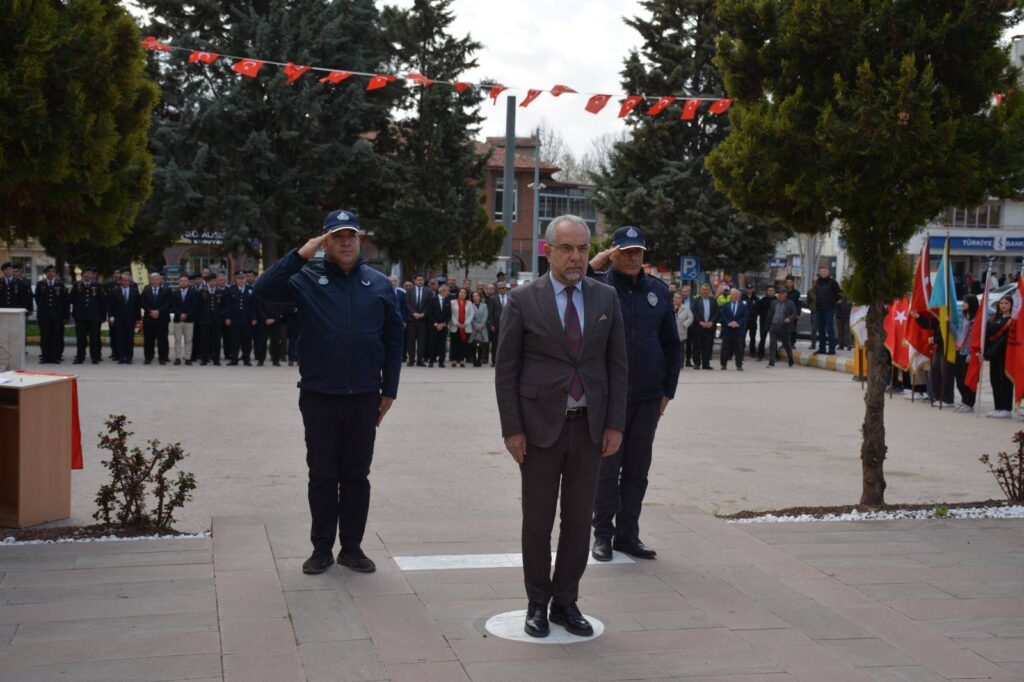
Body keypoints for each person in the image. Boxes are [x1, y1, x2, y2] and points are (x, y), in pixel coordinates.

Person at [494, 214, 626, 639]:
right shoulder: (523, 300)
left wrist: (615, 424)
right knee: (537, 521)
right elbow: (506, 370)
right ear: (547, 251)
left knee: (578, 520)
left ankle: (566, 601)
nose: (576, 257)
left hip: (589, 430)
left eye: (583, 248)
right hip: (538, 431)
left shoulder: (606, 298)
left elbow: (618, 367)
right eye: (567, 248)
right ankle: (537, 602)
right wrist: (512, 429)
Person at [253, 209, 403, 574]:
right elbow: (262, 289)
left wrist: (390, 389)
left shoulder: (378, 284)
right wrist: (301, 254)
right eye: (337, 237)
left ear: (359, 240)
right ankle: (321, 549)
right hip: (319, 394)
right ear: (325, 242)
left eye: (351, 236)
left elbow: (394, 339)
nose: (346, 242)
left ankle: (351, 548)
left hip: (364, 396)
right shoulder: (306, 279)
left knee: (356, 475)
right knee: (322, 474)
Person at [587, 225, 680, 562]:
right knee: (607, 469)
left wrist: (668, 390)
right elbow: (569, 283)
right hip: (610, 396)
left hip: (648, 396)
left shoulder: (658, 291)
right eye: (625, 252)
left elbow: (671, 344)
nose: (632, 258)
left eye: (637, 252)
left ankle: (628, 535)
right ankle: (602, 534)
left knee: (638, 470)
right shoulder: (599, 286)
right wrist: (596, 261)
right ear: (614, 253)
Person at [985, 295, 1013, 418]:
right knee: (994, 380)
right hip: (993, 355)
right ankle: (998, 407)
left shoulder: (1013, 320)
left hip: (1005, 354)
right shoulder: (994, 319)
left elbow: (1005, 340)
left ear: (1011, 305)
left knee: (1004, 381)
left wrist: (992, 351)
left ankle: (1006, 408)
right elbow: (988, 336)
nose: (1003, 305)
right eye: (1001, 303)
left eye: (1006, 303)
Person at [35, 265, 69, 363]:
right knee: (45, 336)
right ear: (45, 273)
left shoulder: (60, 284)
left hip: (57, 315)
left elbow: (64, 300)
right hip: (44, 315)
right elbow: (37, 298)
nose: (51, 273)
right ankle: (45, 356)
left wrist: (65, 315)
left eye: (53, 271)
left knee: (55, 336)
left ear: (55, 273)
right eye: (49, 271)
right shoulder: (40, 284)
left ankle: (55, 356)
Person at [71, 266, 105, 364]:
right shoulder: (77, 285)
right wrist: (75, 313)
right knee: (81, 339)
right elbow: (72, 299)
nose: (87, 275)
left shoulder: (97, 286)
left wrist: (102, 315)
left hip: (94, 317)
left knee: (94, 338)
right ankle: (80, 357)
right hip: (80, 317)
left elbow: (102, 301)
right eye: (85, 273)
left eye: (89, 273)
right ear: (83, 274)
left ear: (92, 275)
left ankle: (95, 357)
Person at [108, 271, 141, 364]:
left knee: (129, 338)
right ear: (120, 281)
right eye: (124, 280)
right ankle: (121, 357)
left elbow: (137, 305)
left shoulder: (134, 291)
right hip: (119, 319)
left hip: (131, 319)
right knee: (120, 338)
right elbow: (111, 306)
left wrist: (138, 318)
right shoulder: (114, 291)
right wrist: (111, 317)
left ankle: (129, 357)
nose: (126, 282)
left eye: (128, 280)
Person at [224, 271, 257, 366]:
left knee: (247, 340)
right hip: (234, 319)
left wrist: (254, 318)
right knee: (234, 340)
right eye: (239, 278)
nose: (241, 280)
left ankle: (246, 359)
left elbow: (254, 305)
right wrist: (227, 317)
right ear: (236, 279)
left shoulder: (250, 289)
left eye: (242, 278)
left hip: (247, 319)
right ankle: (234, 359)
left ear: (245, 279)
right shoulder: (231, 289)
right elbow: (227, 305)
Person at [954, 295, 979, 412]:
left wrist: (971, 352)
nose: (963, 304)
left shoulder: (976, 319)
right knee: (960, 379)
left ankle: (970, 403)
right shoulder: (963, 317)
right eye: (964, 301)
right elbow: (958, 332)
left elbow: (975, 337)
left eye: (966, 302)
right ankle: (964, 400)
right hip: (960, 350)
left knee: (969, 379)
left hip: (969, 352)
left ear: (972, 304)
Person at [140, 273, 171, 365]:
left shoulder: (165, 291)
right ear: (150, 280)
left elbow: (168, 303)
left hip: (162, 318)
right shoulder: (145, 291)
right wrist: (150, 311)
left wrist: (158, 311)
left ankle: (163, 358)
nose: (155, 282)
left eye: (157, 280)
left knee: (162, 339)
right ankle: (148, 357)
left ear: (160, 280)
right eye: (153, 280)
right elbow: (142, 303)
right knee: (148, 339)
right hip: (149, 319)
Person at [196, 274, 225, 366]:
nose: (213, 282)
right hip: (205, 320)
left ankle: (216, 358)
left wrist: (220, 316)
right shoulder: (202, 292)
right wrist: (201, 317)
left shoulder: (220, 292)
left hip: (217, 320)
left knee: (216, 340)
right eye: (211, 281)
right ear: (208, 282)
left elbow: (223, 306)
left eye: (214, 281)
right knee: (205, 340)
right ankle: (204, 358)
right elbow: (198, 306)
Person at [813, 266, 842, 355]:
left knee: (830, 329)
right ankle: (822, 349)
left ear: (828, 272)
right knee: (821, 330)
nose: (823, 272)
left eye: (824, 271)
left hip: (829, 309)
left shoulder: (833, 282)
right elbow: (816, 293)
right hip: (819, 309)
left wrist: (836, 301)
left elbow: (839, 293)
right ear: (819, 272)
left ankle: (832, 350)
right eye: (821, 271)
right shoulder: (817, 282)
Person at [719, 288, 748, 370]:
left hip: (738, 330)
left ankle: (739, 365)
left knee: (739, 348)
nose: (732, 296)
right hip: (727, 329)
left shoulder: (743, 306)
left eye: (734, 295)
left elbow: (745, 316)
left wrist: (738, 323)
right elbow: (723, 315)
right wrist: (728, 323)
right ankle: (723, 364)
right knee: (725, 348)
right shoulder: (726, 305)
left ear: (738, 296)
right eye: (731, 294)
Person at [171, 275, 197, 366]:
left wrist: (186, 314)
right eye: (181, 281)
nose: (183, 282)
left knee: (189, 340)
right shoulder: (175, 292)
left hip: (189, 319)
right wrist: (180, 314)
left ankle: (188, 358)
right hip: (178, 319)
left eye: (185, 281)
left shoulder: (193, 292)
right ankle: (178, 357)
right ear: (179, 282)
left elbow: (194, 306)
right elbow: (173, 305)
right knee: (177, 340)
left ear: (188, 282)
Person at [767, 289, 797, 367]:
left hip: (784, 326)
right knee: (772, 344)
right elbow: (770, 314)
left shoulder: (790, 303)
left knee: (787, 345)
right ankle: (771, 362)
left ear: (786, 295)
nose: (781, 295)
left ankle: (790, 360)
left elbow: (794, 313)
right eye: (780, 293)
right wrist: (768, 325)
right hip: (774, 326)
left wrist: (789, 318)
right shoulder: (773, 303)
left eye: (783, 294)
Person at [692, 283, 719, 370]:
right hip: (699, 327)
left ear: (709, 291)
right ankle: (697, 363)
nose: (705, 291)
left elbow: (716, 312)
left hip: (710, 328)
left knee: (708, 346)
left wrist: (712, 322)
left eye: (707, 290)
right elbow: (694, 312)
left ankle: (706, 364)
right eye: (703, 289)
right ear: (701, 290)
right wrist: (700, 322)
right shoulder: (696, 300)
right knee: (697, 346)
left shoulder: (713, 301)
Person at [406, 274, 431, 367]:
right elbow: (407, 303)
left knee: (421, 341)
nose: (420, 281)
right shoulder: (409, 290)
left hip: (422, 320)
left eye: (422, 280)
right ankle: (411, 360)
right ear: (415, 281)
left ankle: (420, 360)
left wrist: (423, 314)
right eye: (418, 280)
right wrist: (413, 313)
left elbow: (429, 304)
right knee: (411, 341)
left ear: (424, 281)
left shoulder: (428, 291)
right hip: (411, 320)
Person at [426, 283, 450, 367]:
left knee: (442, 345)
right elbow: (429, 313)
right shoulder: (433, 299)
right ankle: (431, 361)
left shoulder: (447, 300)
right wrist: (436, 324)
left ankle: (441, 362)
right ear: (442, 291)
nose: (448, 292)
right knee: (432, 344)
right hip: (433, 326)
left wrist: (443, 324)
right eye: (447, 291)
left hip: (443, 327)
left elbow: (449, 314)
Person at [448, 287, 472, 367]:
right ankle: (454, 360)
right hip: (455, 326)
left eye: (464, 293)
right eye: (461, 292)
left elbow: (472, 314)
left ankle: (461, 360)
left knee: (463, 343)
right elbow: (451, 314)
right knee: (455, 343)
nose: (463, 294)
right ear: (458, 293)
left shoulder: (469, 303)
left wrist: (465, 323)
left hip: (465, 326)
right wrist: (457, 323)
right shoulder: (452, 302)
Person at [488, 282, 509, 367]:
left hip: (508, 325)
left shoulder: (510, 298)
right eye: (499, 288)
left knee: (507, 344)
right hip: (496, 326)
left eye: (503, 288)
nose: (501, 290)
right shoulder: (493, 299)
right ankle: (494, 361)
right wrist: (491, 325)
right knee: (495, 344)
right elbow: (490, 313)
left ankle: (505, 361)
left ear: (506, 288)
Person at [755, 285, 776, 360]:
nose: (771, 292)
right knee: (762, 339)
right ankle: (760, 355)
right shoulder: (762, 300)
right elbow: (758, 310)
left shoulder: (777, 301)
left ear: (774, 292)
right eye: (769, 290)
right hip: (764, 322)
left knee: (773, 340)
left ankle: (774, 356)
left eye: (772, 291)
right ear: (767, 292)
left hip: (773, 322)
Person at [469, 290, 489, 367]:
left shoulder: (484, 305)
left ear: (480, 297)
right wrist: (476, 326)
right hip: (474, 327)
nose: (476, 297)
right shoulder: (470, 305)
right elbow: (470, 317)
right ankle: (474, 359)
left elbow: (485, 316)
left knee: (481, 345)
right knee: (473, 345)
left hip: (482, 327)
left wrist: (481, 325)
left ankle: (479, 360)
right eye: (474, 296)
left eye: (477, 295)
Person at [673, 291, 693, 368]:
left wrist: (685, 324)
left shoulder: (686, 308)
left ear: (681, 299)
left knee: (681, 349)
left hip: (681, 330)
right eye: (675, 298)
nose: (677, 299)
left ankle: (680, 364)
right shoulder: (669, 307)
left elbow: (691, 318)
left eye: (678, 298)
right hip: (671, 331)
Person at [742, 284, 759, 356]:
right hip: (743, 321)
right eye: (748, 289)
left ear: (753, 289)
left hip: (752, 321)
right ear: (745, 289)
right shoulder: (742, 297)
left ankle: (752, 351)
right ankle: (741, 351)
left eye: (750, 289)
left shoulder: (756, 299)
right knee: (742, 336)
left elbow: (758, 309)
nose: (749, 290)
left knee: (753, 337)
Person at [785, 276, 802, 347]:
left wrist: (798, 314)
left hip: (793, 313)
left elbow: (799, 304)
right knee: (784, 329)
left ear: (792, 283)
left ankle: (792, 343)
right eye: (787, 282)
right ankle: (784, 343)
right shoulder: (783, 291)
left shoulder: (797, 293)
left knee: (793, 329)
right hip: (784, 313)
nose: (789, 284)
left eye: (790, 282)